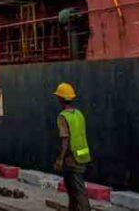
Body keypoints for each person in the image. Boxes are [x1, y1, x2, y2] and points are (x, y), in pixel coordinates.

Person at [53, 82, 91, 211]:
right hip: (83, 154)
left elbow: (65, 140)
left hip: (72, 157)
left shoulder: (63, 117)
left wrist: (60, 159)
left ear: (60, 99)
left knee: (77, 190)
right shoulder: (78, 114)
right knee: (73, 189)